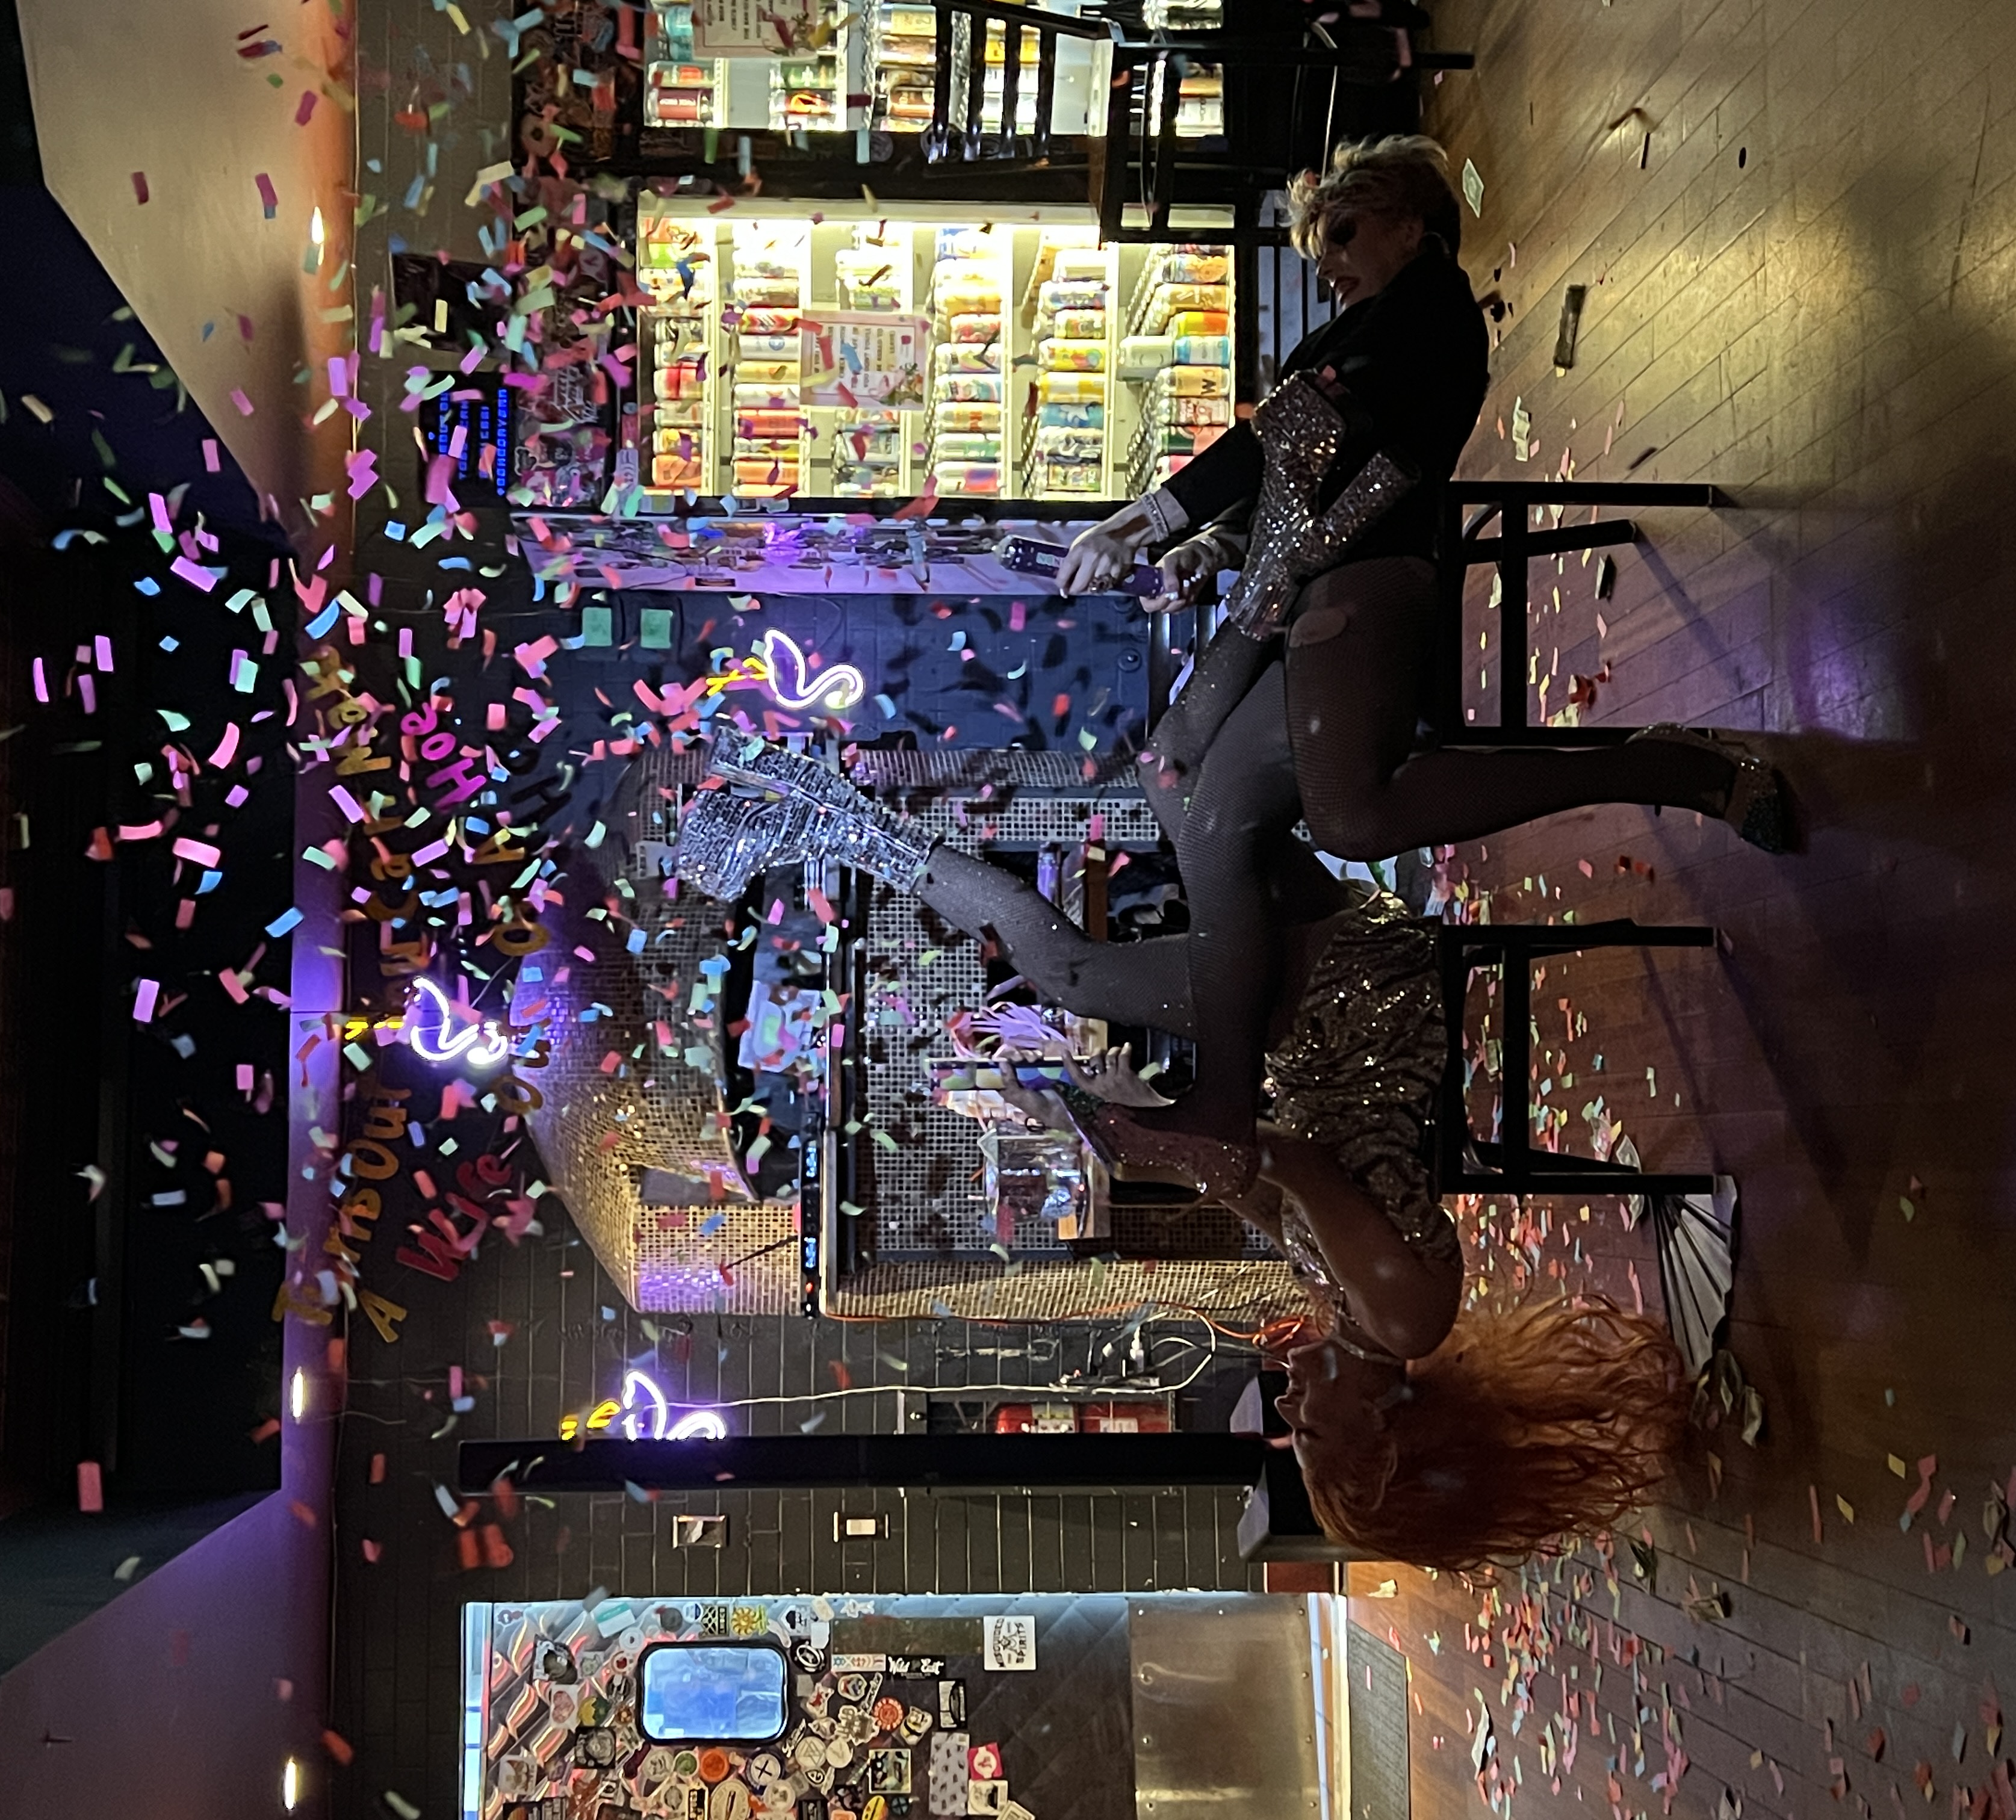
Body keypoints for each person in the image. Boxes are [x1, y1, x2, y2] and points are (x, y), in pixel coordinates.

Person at [670, 725, 1686, 1575]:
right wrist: (1166, 1145)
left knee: (1178, 786)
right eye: (1314, 1427)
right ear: (1391, 1431)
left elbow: (1243, 1184)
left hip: (1297, 1026)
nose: (1287, 1402)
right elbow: (1283, 1159)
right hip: (1352, 1003)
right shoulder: (1405, 1316)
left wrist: (1110, 1124)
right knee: (1072, 965)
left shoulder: (1347, 1311)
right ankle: (835, 823)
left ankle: (839, 826)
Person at [1046, 136, 1790, 1176]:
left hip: (1365, 586)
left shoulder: (1426, 314)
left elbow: (1290, 453)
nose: (1330, 261)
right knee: (1188, 790)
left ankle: (1676, 770)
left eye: (1344, 233)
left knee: (1332, 815)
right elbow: (1290, 479)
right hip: (1297, 601)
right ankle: (1245, 1042)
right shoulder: (1357, 330)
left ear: (1411, 220)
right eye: (1320, 248)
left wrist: (1154, 515)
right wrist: (1203, 545)